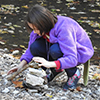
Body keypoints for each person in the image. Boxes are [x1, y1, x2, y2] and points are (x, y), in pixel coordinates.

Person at [7, 4, 94, 91]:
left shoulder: (64, 28)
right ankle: (56, 70)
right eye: (32, 28)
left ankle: (73, 74)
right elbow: (30, 51)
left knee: (55, 50)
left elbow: (72, 58)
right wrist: (20, 66)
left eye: (35, 28)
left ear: (43, 24)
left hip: (78, 51)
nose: (34, 32)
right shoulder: (38, 31)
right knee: (35, 47)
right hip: (59, 48)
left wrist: (49, 64)